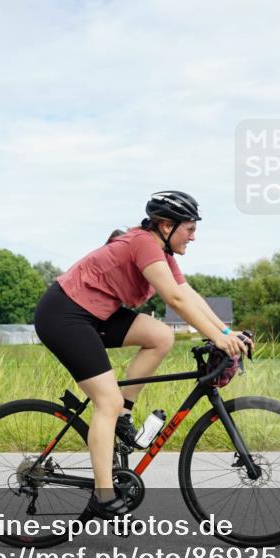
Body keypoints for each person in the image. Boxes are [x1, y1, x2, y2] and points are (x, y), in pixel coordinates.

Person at [32, 190, 251, 519]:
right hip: (64, 315)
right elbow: (175, 302)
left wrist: (224, 332)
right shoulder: (143, 244)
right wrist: (217, 338)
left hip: (97, 314)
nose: (194, 236)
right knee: (106, 401)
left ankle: (123, 416)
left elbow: (186, 294)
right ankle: (103, 495)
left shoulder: (164, 254)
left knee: (161, 336)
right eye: (189, 228)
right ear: (166, 226)